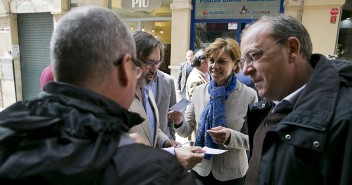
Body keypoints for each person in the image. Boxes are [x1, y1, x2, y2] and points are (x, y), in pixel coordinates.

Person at [0, 6, 198, 184]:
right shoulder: (154, 172)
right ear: (124, 68)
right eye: (138, 66)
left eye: (158, 64)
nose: (150, 71)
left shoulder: (7, 127)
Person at [240, 14, 352, 185]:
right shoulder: (269, 105)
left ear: (292, 49)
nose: (245, 71)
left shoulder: (344, 119)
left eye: (254, 56)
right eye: (243, 62)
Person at [169, 38, 258, 185]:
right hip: (200, 169)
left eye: (222, 61)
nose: (214, 66)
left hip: (231, 174)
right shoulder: (198, 92)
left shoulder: (249, 95)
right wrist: (179, 121)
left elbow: (254, 140)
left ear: (235, 64)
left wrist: (230, 136)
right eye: (211, 60)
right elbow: (185, 131)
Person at [129, 31, 178, 147]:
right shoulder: (113, 96)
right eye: (149, 63)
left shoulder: (146, 90)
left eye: (157, 63)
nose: (154, 70)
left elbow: (150, 126)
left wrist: (165, 142)